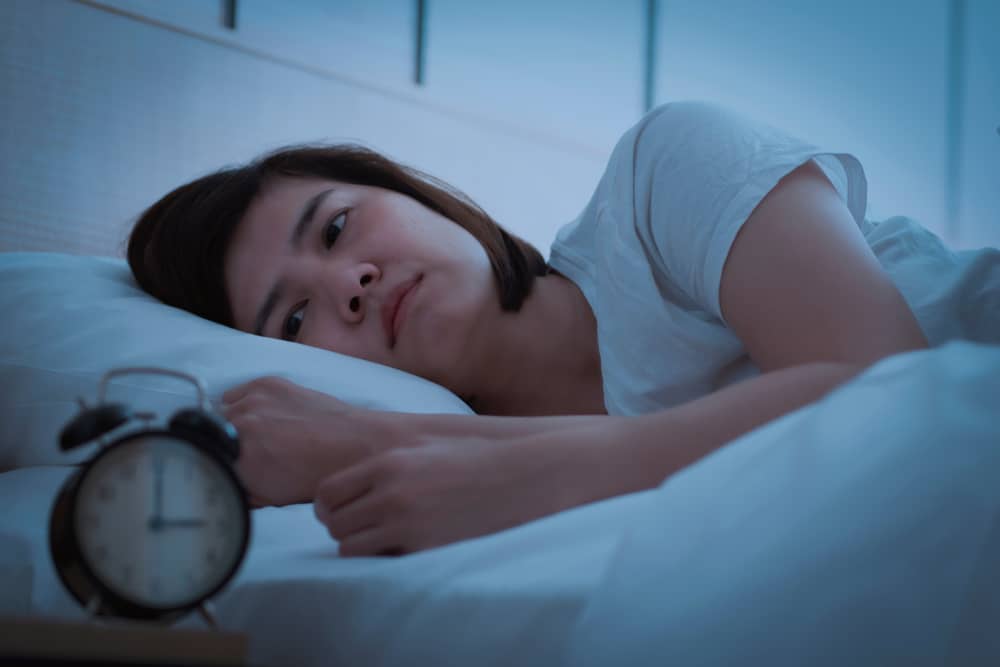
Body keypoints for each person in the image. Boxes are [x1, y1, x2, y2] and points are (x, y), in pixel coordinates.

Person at [127, 100, 987, 558]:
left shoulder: (663, 172)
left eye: (339, 226)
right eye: (297, 316)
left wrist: (393, 440)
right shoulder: (448, 471)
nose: (348, 284)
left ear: (414, 195)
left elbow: (894, 396)